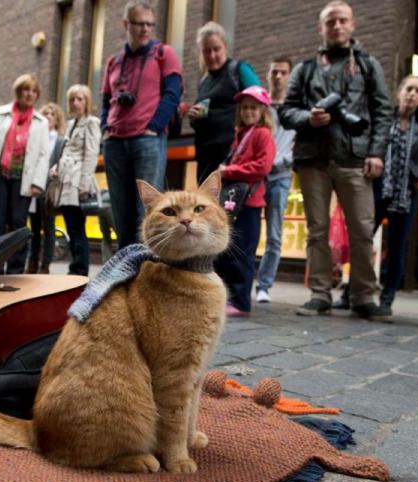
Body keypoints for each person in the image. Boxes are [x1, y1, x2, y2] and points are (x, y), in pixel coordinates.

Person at [280, 0, 392, 320]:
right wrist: (307, 118)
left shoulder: (369, 65)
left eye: (342, 20)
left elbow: (383, 110)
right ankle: (319, 294)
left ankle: (362, 296)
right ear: (322, 28)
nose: (337, 26)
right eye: (331, 22)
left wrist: (376, 152)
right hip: (313, 159)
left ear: (352, 25)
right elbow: (286, 111)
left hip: (355, 158)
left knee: (361, 229)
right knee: (317, 231)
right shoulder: (305, 69)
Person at [334, 75, 418, 315]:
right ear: (399, 92)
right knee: (363, 242)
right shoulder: (386, 118)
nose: (412, 94)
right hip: (379, 189)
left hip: (406, 194)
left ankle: (387, 299)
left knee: (397, 249)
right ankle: (350, 294)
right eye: (409, 88)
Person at [101, 0, 182, 248]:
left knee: (146, 212)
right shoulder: (114, 62)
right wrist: (105, 128)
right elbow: (105, 99)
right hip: (114, 143)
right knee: (120, 213)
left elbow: (173, 93)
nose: (146, 29)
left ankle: (145, 273)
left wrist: (154, 127)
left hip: (147, 140)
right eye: (140, 24)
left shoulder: (163, 53)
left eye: (150, 24)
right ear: (126, 24)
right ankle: (125, 273)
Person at [0, 73, 49, 274]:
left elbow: (43, 155)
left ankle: (15, 271)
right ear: (18, 91)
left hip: (23, 181)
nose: (30, 94)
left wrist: (38, 183)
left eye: (34, 91)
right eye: (26, 90)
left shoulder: (41, 122)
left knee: (18, 226)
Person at [216, 86, 276, 317]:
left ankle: (241, 302)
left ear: (262, 111)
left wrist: (230, 170)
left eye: (253, 107)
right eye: (245, 108)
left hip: (250, 203)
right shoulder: (241, 133)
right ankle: (231, 298)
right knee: (229, 253)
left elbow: (263, 166)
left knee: (242, 254)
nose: (248, 111)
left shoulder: (262, 134)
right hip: (238, 202)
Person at [189, 21, 261, 183]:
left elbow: (261, 103)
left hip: (233, 156)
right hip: (206, 157)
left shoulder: (239, 70)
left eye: (216, 49)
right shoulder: (204, 81)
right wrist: (194, 118)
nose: (212, 55)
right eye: (206, 51)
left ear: (225, 47)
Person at [255, 56, 296, 304]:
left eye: (282, 73)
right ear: (268, 75)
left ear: (289, 76)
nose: (278, 77)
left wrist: (279, 162)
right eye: (274, 72)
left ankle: (264, 286)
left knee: (274, 233)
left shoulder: (294, 107)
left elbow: (298, 145)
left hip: (280, 176)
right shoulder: (261, 106)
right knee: (248, 229)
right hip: (257, 176)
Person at [53, 85, 102, 276]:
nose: (76, 103)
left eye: (80, 99)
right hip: (65, 182)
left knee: (78, 229)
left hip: (77, 183)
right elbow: (64, 152)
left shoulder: (92, 122)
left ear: (87, 101)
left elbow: (91, 155)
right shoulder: (71, 123)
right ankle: (75, 267)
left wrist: (84, 184)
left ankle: (80, 270)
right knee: (71, 228)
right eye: (73, 99)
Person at [28, 102, 66, 274]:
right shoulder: (35, 138)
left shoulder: (61, 141)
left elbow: (63, 161)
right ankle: (32, 262)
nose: (49, 116)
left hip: (51, 190)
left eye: (52, 114)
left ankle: (46, 265)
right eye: (46, 113)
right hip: (35, 188)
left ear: (57, 119)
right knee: (34, 229)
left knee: (49, 228)